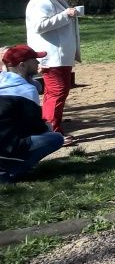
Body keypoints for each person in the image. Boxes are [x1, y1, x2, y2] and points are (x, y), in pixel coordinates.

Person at [25, 0, 81, 145]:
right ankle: (53, 133)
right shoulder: (40, 2)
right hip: (51, 57)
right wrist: (65, 15)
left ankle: (49, 129)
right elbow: (38, 26)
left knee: (55, 93)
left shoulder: (58, 0)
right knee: (57, 92)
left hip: (60, 57)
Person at [0, 45, 65, 183]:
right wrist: (47, 127)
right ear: (22, 66)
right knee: (56, 137)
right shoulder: (26, 90)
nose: (37, 62)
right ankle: (12, 170)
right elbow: (34, 127)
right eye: (34, 59)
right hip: (6, 147)